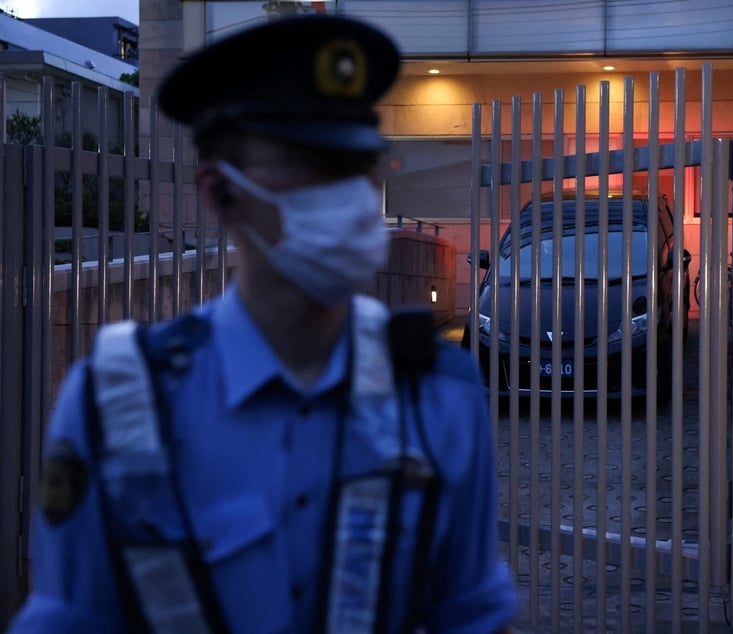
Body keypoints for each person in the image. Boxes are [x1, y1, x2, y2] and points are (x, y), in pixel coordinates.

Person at [8, 14, 518, 634]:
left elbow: (472, 616)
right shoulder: (117, 404)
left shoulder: (439, 393)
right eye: (309, 168)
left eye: (360, 169)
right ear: (222, 193)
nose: (350, 198)